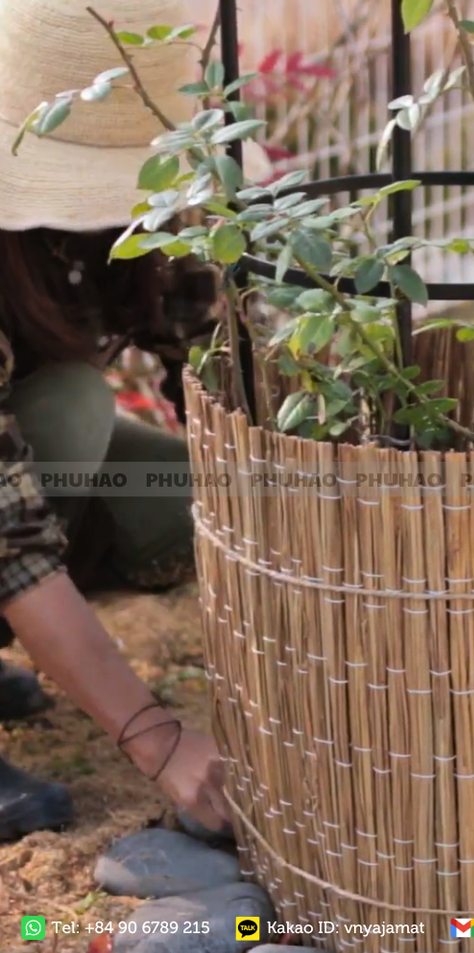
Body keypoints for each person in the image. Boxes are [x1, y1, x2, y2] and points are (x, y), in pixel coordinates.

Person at [0, 0, 270, 841]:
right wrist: (158, 739)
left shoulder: (147, 222)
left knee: (191, 496)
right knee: (74, 409)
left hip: (25, 454)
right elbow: (10, 540)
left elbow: (222, 369)